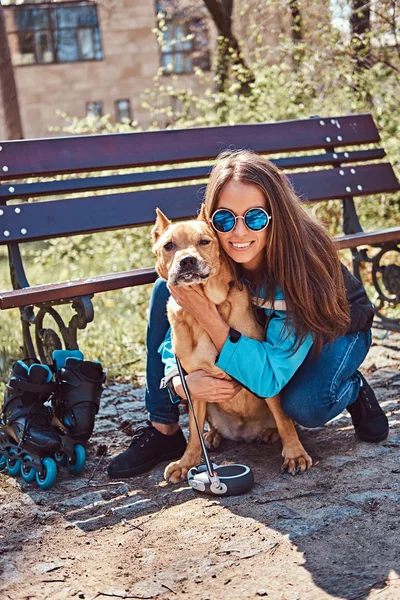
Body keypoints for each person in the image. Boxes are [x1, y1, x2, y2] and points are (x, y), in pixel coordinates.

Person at [108, 150, 389, 479]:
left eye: (254, 218)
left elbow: (266, 378)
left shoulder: (297, 268)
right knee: (164, 291)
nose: (239, 232)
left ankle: (348, 382)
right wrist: (178, 380)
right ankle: (162, 429)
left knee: (306, 404)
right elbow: (182, 330)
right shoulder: (218, 258)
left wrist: (209, 316)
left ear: (275, 216)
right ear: (212, 222)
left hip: (335, 325)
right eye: (226, 220)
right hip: (274, 331)